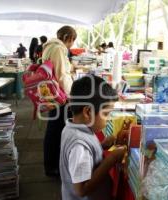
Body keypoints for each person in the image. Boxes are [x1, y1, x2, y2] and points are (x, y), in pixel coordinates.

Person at [60, 75, 126, 200]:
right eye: (106, 114)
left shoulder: (72, 129)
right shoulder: (79, 145)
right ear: (88, 112)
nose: (108, 118)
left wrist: (103, 146)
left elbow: (85, 159)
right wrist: (112, 159)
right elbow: (81, 189)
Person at [42, 25, 77, 176]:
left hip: (53, 93)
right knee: (55, 130)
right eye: (72, 41)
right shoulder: (58, 49)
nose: (71, 45)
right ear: (68, 38)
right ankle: (52, 166)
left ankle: (52, 165)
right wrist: (71, 95)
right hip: (58, 95)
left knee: (54, 129)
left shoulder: (51, 47)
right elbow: (61, 74)